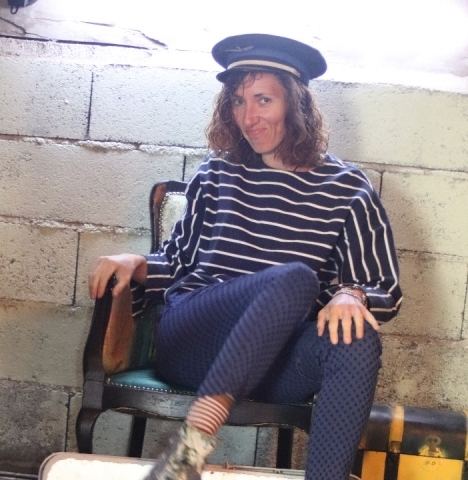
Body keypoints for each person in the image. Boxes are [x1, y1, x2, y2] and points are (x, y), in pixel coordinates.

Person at [89, 33, 402, 480]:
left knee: (357, 338)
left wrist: (352, 295)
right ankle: (190, 448)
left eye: (263, 100)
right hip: (195, 340)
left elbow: (385, 289)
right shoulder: (218, 172)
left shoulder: (348, 190)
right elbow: (176, 263)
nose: (248, 118)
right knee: (296, 278)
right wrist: (135, 262)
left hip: (275, 359)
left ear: (296, 103)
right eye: (237, 102)